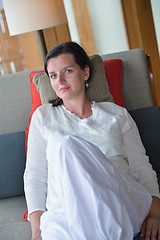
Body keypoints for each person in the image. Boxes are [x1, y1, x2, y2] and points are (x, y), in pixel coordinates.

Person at [24, 41, 160, 240]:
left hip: (121, 201)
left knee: (67, 145)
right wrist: (37, 231)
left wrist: (155, 212)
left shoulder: (116, 114)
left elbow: (141, 166)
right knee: (65, 147)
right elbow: (35, 176)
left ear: (85, 72)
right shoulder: (43, 117)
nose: (60, 80)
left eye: (67, 71)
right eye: (53, 75)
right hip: (66, 211)